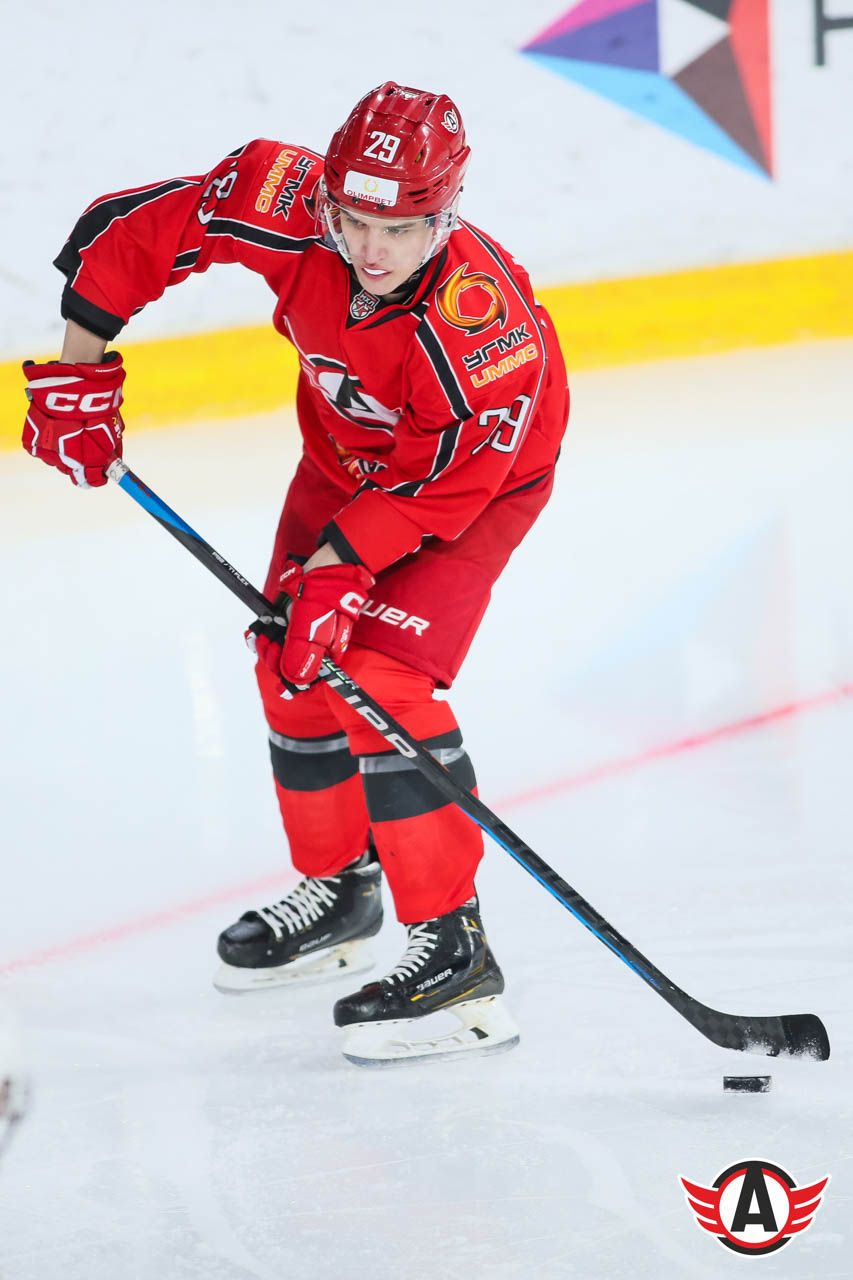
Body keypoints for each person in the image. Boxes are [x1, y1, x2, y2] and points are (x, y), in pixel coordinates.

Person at [22, 82, 570, 1065]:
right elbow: (134, 229)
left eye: (398, 230)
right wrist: (79, 370)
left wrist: (338, 569)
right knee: (291, 659)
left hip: (465, 493)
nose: (369, 250)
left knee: (381, 677)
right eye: (352, 221)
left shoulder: (483, 332)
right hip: (342, 461)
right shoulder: (287, 197)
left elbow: (443, 485)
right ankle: (341, 891)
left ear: (445, 215)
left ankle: (455, 952)